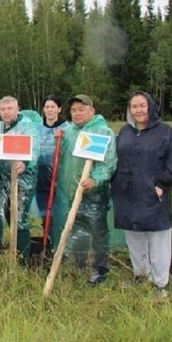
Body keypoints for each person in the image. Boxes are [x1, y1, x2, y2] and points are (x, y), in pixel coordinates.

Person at [112, 91, 172, 297]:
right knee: (134, 237)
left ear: (150, 107)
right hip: (126, 195)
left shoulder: (165, 132)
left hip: (152, 195)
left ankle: (160, 283)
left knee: (158, 239)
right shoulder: (125, 131)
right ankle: (140, 275)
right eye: (134, 107)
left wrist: (161, 185)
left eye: (142, 106)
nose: (138, 110)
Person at [51, 94, 117, 286]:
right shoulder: (69, 131)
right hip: (69, 193)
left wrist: (95, 180)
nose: (77, 113)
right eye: (73, 110)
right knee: (75, 230)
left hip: (93, 194)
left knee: (97, 231)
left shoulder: (102, 131)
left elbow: (109, 162)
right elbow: (63, 160)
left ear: (92, 110)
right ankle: (78, 265)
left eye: (81, 109)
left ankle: (100, 270)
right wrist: (59, 142)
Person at [0, 96, 40, 265]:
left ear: (17, 109)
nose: (6, 112)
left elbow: (34, 148)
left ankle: (23, 260)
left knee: (19, 218)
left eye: (10, 109)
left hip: (21, 180)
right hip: (1, 180)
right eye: (3, 109)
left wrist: (25, 163)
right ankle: (11, 252)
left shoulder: (27, 127)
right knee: (7, 214)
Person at [36, 95, 69, 239]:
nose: (49, 110)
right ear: (43, 110)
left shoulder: (67, 129)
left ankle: (62, 245)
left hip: (60, 180)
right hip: (41, 180)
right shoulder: (37, 129)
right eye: (47, 107)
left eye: (53, 107)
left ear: (59, 109)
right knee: (45, 215)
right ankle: (49, 241)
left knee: (60, 214)